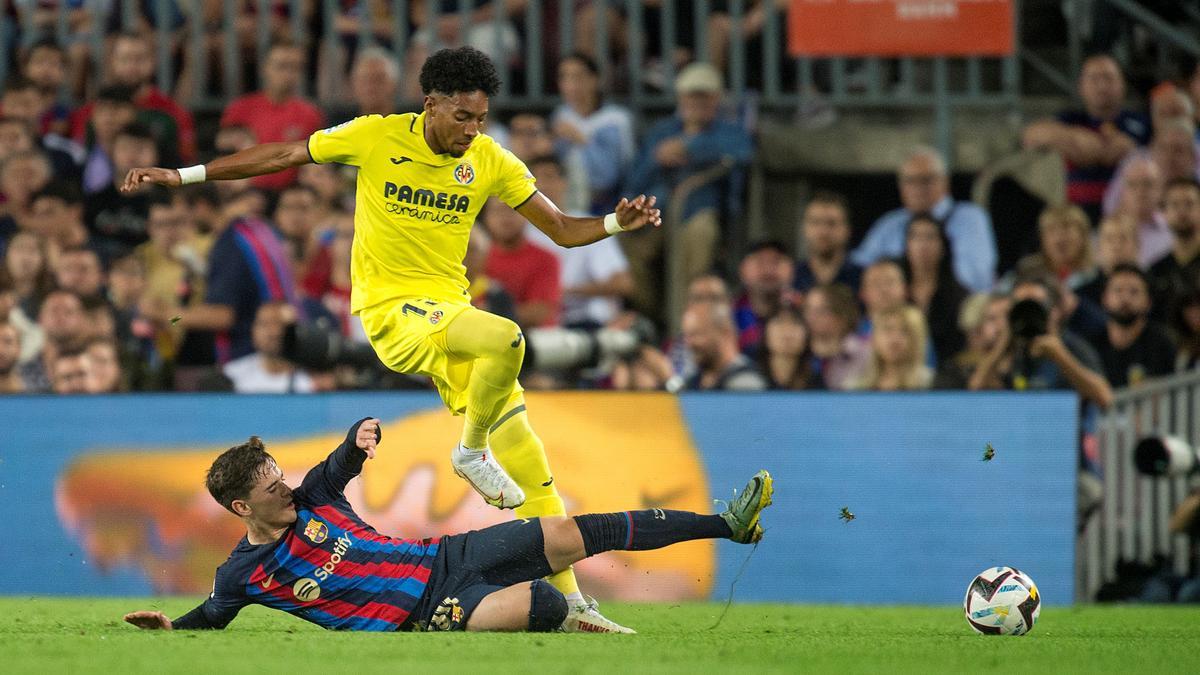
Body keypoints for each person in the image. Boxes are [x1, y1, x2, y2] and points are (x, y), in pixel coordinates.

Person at [121, 46, 661, 633]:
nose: (473, 130)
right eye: (463, 117)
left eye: (481, 118)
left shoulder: (490, 160)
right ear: (431, 104)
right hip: (390, 313)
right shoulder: (375, 136)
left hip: (449, 316)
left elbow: (559, 228)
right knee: (506, 337)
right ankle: (471, 452)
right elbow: (284, 153)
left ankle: (575, 606)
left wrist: (613, 223)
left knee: (531, 463)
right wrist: (183, 174)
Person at [122, 418, 774, 632]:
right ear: (243, 508)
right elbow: (211, 616)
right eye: (271, 486)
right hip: (425, 609)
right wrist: (170, 628)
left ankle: (728, 522)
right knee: (545, 602)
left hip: (448, 552)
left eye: (280, 473)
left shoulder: (313, 493)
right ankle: (578, 620)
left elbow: (340, 458)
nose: (287, 486)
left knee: (576, 530)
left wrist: (360, 436)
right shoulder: (244, 571)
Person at [623, 62, 754, 318]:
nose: (696, 102)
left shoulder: (729, 130)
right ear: (680, 97)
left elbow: (742, 153)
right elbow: (634, 181)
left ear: (716, 98)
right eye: (691, 95)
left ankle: (684, 324)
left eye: (703, 96)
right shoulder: (662, 131)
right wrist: (657, 159)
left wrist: (690, 148)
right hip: (656, 211)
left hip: (698, 210)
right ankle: (648, 316)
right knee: (621, 239)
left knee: (700, 233)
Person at [1021, 54, 1148, 223]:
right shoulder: (1071, 119)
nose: (1102, 86)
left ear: (1122, 84)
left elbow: (1123, 151)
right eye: (1094, 79)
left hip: (1130, 219)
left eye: (1109, 78)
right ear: (1081, 86)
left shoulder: (1140, 122)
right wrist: (1079, 140)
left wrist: (1131, 151)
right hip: (1077, 217)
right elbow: (1030, 136)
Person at [850, 146, 996, 293]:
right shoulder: (890, 223)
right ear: (900, 185)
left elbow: (976, 277)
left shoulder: (969, 218)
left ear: (945, 181)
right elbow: (860, 268)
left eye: (926, 180)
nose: (918, 188)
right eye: (910, 181)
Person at [219, 40, 326, 192]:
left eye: (295, 68)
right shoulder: (240, 109)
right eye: (282, 66)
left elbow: (314, 163)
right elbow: (224, 155)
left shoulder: (310, 114)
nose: (288, 74)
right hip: (245, 191)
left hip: (290, 194)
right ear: (265, 68)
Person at [551, 52, 636, 215]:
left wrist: (581, 140)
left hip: (610, 204)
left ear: (595, 80)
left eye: (578, 77)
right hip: (565, 204)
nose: (571, 85)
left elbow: (611, 176)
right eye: (564, 78)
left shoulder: (616, 120)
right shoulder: (560, 115)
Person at [482, 198, 562, 329]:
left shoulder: (546, 258)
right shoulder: (475, 257)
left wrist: (485, 313)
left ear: (527, 215)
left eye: (512, 209)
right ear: (485, 216)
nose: (505, 217)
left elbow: (540, 312)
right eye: (497, 210)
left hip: (534, 341)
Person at [1091, 264, 1175, 388]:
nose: (1125, 299)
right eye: (1118, 290)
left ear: (1149, 301)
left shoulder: (1163, 343)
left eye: (1134, 292)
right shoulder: (1091, 345)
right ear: (1104, 299)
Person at [900, 213, 967, 363]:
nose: (922, 245)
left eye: (930, 237)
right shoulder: (896, 293)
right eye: (915, 237)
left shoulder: (960, 297)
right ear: (906, 245)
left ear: (943, 247)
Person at [222, 302, 315, 394]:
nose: (274, 332)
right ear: (253, 331)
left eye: (281, 324)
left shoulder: (313, 380)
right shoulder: (231, 376)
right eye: (264, 324)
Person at [680, 301, 769, 391]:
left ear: (725, 333)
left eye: (696, 334)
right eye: (686, 336)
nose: (688, 343)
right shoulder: (692, 381)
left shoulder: (745, 383)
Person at [1148, 178, 1200, 322]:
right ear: (1163, 212)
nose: (1182, 211)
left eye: (1189, 204)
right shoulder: (1156, 271)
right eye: (1175, 205)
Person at [733, 240, 797, 356]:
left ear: (791, 270)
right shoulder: (727, 317)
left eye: (776, 262)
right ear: (743, 270)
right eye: (759, 262)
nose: (768, 271)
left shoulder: (805, 313)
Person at [851, 305, 933, 391]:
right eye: (888, 329)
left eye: (905, 331)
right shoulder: (856, 387)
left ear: (917, 340)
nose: (895, 339)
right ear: (874, 338)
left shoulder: (932, 384)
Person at [794, 191, 861, 293]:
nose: (823, 232)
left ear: (847, 230)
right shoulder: (791, 278)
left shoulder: (863, 280)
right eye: (815, 222)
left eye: (832, 223)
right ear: (804, 229)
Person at [804, 283, 869, 391]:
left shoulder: (862, 352)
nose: (811, 317)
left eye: (821, 311)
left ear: (842, 315)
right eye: (808, 309)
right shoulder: (799, 351)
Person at [757, 305, 820, 390]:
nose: (787, 332)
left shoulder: (817, 383)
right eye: (779, 322)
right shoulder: (748, 378)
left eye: (796, 323)